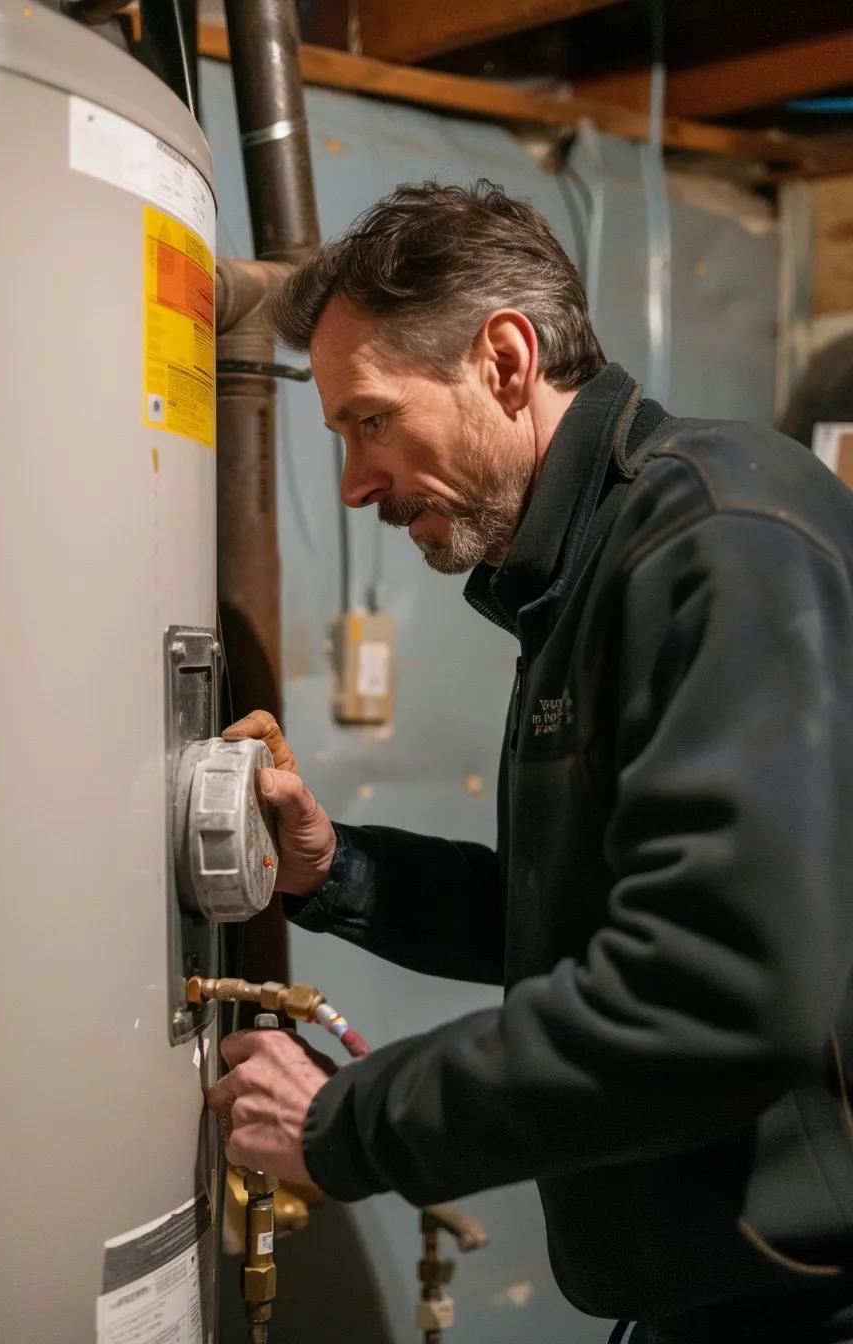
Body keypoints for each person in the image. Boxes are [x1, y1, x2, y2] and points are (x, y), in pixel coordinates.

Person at [207, 181, 853, 1344]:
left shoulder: (716, 542)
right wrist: (332, 869)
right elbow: (574, 923)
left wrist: (345, 1124)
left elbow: (710, 991)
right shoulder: (584, 574)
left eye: (367, 421)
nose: (354, 485)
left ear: (503, 361)